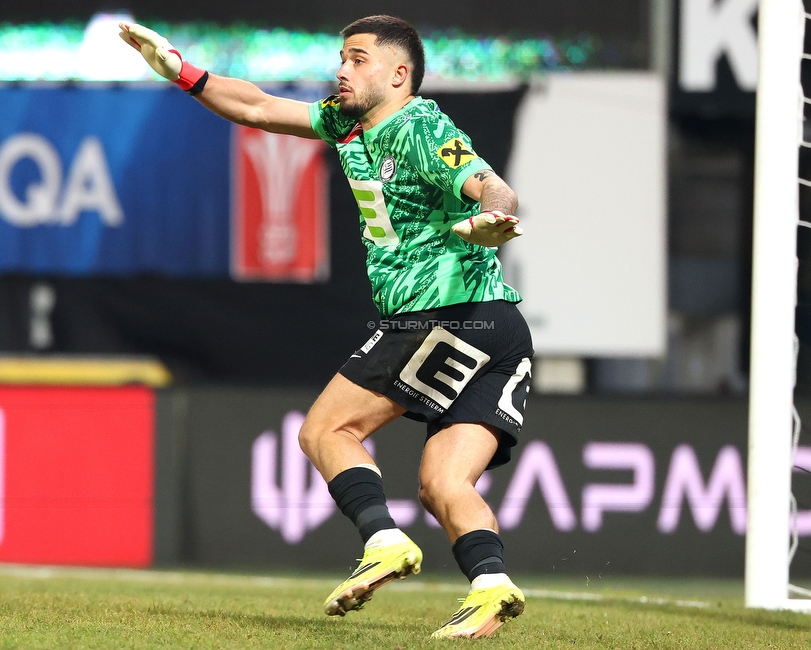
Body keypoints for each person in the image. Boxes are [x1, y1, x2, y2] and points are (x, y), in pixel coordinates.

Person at [120, 15, 533, 639]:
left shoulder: (420, 127)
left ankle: (384, 541)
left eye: (359, 59)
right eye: (343, 57)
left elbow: (493, 187)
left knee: (325, 430)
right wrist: (183, 73)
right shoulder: (346, 122)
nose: (342, 69)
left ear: (399, 74)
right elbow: (258, 107)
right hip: (498, 325)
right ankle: (491, 586)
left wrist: (492, 218)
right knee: (444, 483)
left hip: (445, 312)